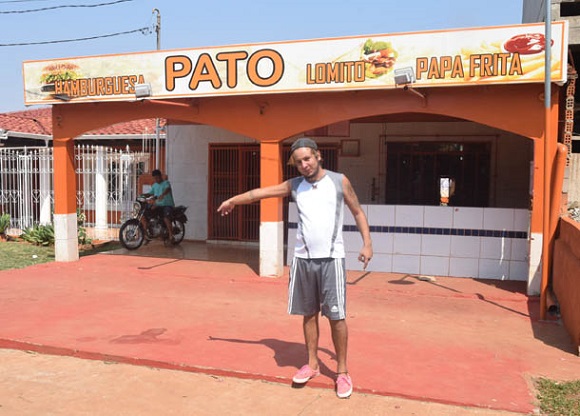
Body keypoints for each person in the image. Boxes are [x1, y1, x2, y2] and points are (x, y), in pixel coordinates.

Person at [217, 137, 373, 399]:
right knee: (309, 314)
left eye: (307, 159)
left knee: (336, 317)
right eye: (299, 162)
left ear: (318, 156)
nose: (304, 165)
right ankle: (311, 364)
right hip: (302, 260)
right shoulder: (294, 185)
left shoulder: (339, 181)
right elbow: (260, 193)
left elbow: (357, 211)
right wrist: (233, 200)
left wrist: (367, 244)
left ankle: (342, 372)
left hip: (332, 259)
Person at [141, 169, 175, 243]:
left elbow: (168, 189)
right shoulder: (155, 185)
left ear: (160, 176)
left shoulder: (166, 183)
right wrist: (142, 196)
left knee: (166, 218)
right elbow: (150, 193)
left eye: (157, 177)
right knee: (146, 214)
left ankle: (171, 235)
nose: (156, 179)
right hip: (158, 205)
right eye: (154, 178)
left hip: (167, 205)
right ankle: (147, 235)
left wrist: (163, 194)